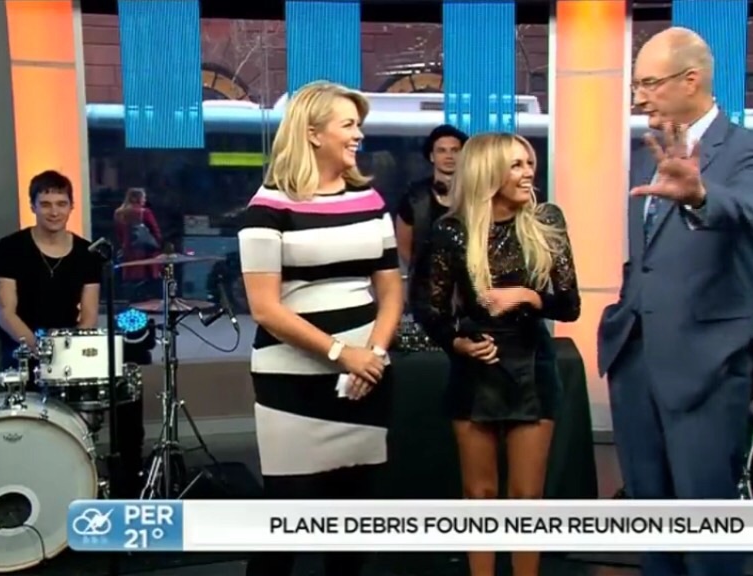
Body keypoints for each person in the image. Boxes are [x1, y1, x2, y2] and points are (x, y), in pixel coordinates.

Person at [596, 28, 753, 576]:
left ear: (691, 80)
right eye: (636, 86)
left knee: (705, 523)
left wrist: (699, 195)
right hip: (636, 360)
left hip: (706, 364)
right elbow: (648, 258)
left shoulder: (748, 149)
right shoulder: (648, 155)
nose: (638, 98)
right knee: (652, 521)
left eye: (649, 84)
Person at [238, 81, 404, 576]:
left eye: (359, 124)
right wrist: (340, 354)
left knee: (353, 523)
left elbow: (391, 291)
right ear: (312, 133)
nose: (359, 134)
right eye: (348, 124)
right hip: (293, 381)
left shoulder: (369, 199)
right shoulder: (267, 207)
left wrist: (372, 356)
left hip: (366, 378)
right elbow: (265, 308)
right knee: (284, 525)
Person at [412, 132, 580, 576]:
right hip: (475, 367)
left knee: (526, 497)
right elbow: (427, 306)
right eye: (516, 165)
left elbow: (569, 305)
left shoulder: (546, 220)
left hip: (532, 365)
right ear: (489, 173)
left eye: (529, 163)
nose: (528, 174)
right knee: (480, 496)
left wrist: (526, 295)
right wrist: (457, 342)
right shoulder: (452, 230)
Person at [0, 170, 145, 496]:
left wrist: (67, 352)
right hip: (23, 351)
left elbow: (88, 316)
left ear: (72, 206)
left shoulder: (88, 254)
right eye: (45, 204)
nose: (54, 211)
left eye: (61, 203)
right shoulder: (9, 249)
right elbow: (6, 313)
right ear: (33, 206)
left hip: (69, 349)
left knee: (127, 387)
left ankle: (129, 482)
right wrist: (43, 351)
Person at [395, 124, 468, 274]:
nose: (449, 156)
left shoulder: (477, 194)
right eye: (441, 150)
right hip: (425, 282)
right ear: (431, 156)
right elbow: (403, 245)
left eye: (455, 150)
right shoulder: (415, 196)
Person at [114, 187, 162, 301]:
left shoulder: (119, 213)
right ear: (137, 198)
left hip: (128, 253)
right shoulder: (144, 212)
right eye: (143, 197)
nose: (145, 200)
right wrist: (157, 244)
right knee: (147, 286)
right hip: (145, 253)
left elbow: (118, 234)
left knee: (131, 284)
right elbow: (156, 231)